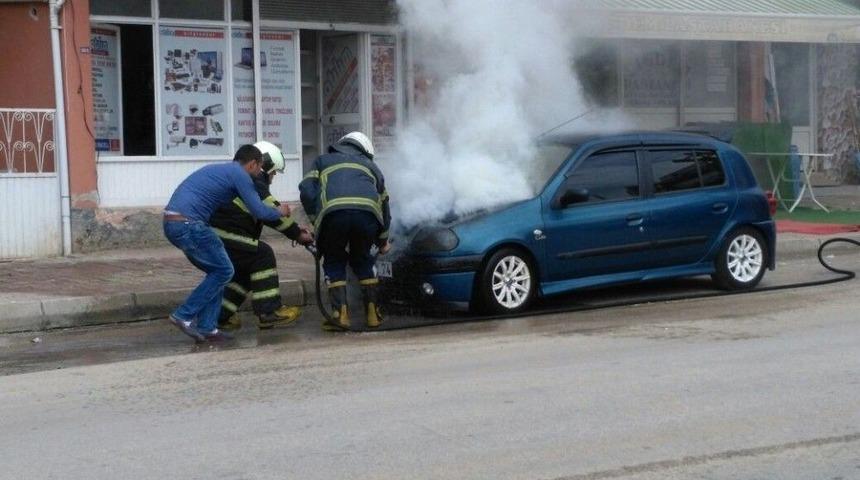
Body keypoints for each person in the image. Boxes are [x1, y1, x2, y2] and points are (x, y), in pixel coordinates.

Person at [163, 146, 289, 342]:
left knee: (219, 271)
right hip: (189, 225)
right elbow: (260, 212)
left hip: (175, 223)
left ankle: (208, 328)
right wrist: (281, 211)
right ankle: (184, 315)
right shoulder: (241, 175)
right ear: (252, 164)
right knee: (224, 271)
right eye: (259, 169)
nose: (259, 174)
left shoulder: (223, 171)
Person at [209, 141, 314, 332]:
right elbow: (272, 212)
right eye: (273, 172)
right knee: (262, 254)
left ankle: (219, 316)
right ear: (261, 165)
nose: (273, 178)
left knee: (245, 273)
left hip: (220, 234)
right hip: (225, 234)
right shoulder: (254, 181)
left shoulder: (241, 178)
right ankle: (269, 311)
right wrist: (298, 234)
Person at [299, 131, 391, 331]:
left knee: (334, 259)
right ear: (364, 150)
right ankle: (373, 314)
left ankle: (340, 315)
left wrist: (317, 222)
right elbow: (384, 204)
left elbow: (306, 190)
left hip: (334, 216)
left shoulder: (322, 161)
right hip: (367, 217)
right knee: (363, 258)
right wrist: (383, 240)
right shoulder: (371, 166)